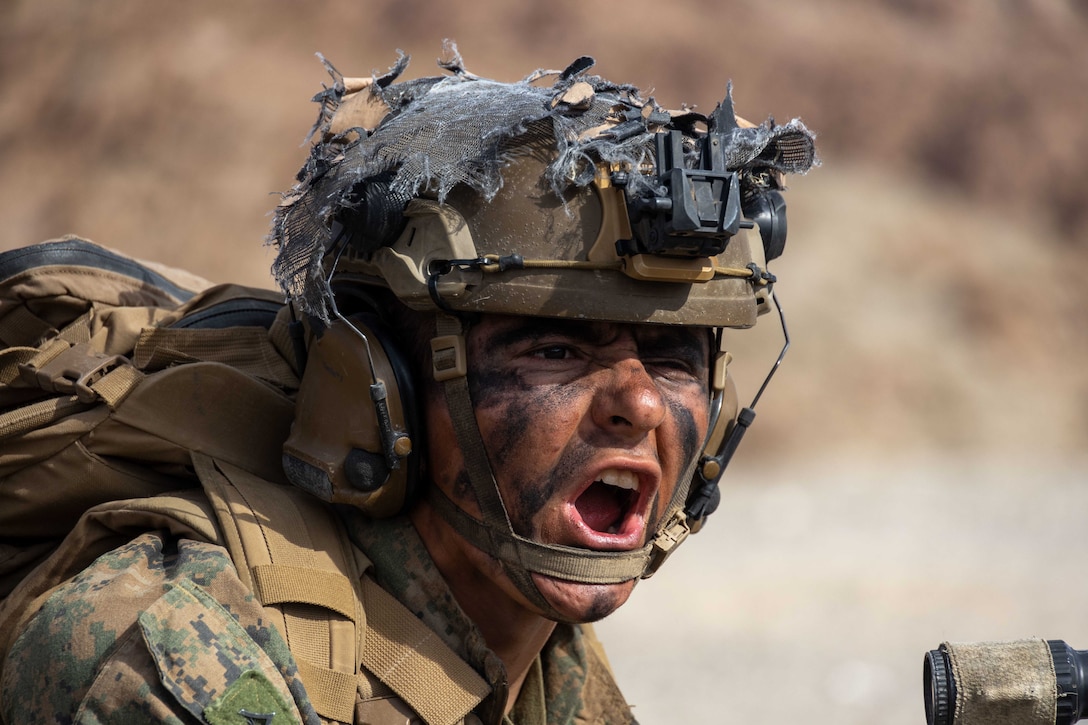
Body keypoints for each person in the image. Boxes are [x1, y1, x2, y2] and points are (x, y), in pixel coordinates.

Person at [0, 46, 816, 724]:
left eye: (673, 356)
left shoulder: (527, 637)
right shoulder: (178, 643)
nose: (638, 404)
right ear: (376, 387)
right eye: (557, 350)